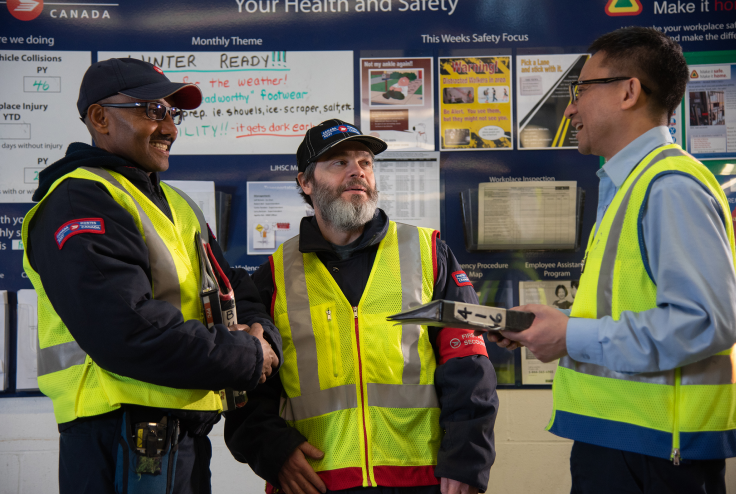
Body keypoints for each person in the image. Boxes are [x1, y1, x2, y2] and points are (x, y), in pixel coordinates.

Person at [491, 27, 736, 493]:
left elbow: (705, 322)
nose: (569, 108)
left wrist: (571, 335)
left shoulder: (670, 187)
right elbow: (632, 306)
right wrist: (555, 325)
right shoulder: (634, 184)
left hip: (657, 456)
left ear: (628, 91)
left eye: (580, 90)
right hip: (627, 443)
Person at [21, 58, 281, 494]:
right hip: (119, 438)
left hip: (184, 439)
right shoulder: (79, 200)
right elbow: (129, 331)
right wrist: (249, 357)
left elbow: (236, 286)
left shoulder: (178, 204)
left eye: (172, 113)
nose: (171, 129)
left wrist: (265, 337)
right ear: (100, 118)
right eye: (152, 110)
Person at [225, 120, 498, 494]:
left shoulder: (429, 254)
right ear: (306, 183)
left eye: (366, 162)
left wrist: (468, 459)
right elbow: (245, 386)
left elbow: (470, 368)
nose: (358, 171)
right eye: (338, 162)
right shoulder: (273, 275)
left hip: (420, 479)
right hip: (317, 480)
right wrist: (273, 451)